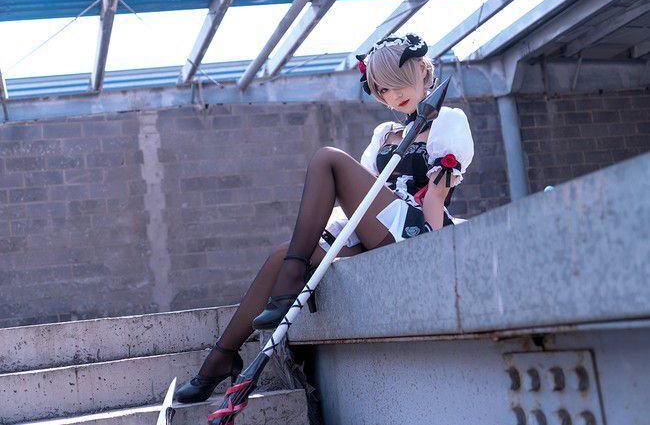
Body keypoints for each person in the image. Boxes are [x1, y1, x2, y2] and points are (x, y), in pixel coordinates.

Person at [174, 33, 474, 403]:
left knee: (327, 158)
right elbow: (363, 198)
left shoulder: (447, 122)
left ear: (422, 72)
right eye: (382, 89)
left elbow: (438, 196)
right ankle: (221, 358)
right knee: (283, 253)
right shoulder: (384, 135)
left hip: (415, 232)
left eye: (398, 84)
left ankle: (290, 283)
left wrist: (434, 254)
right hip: (375, 233)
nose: (393, 96)